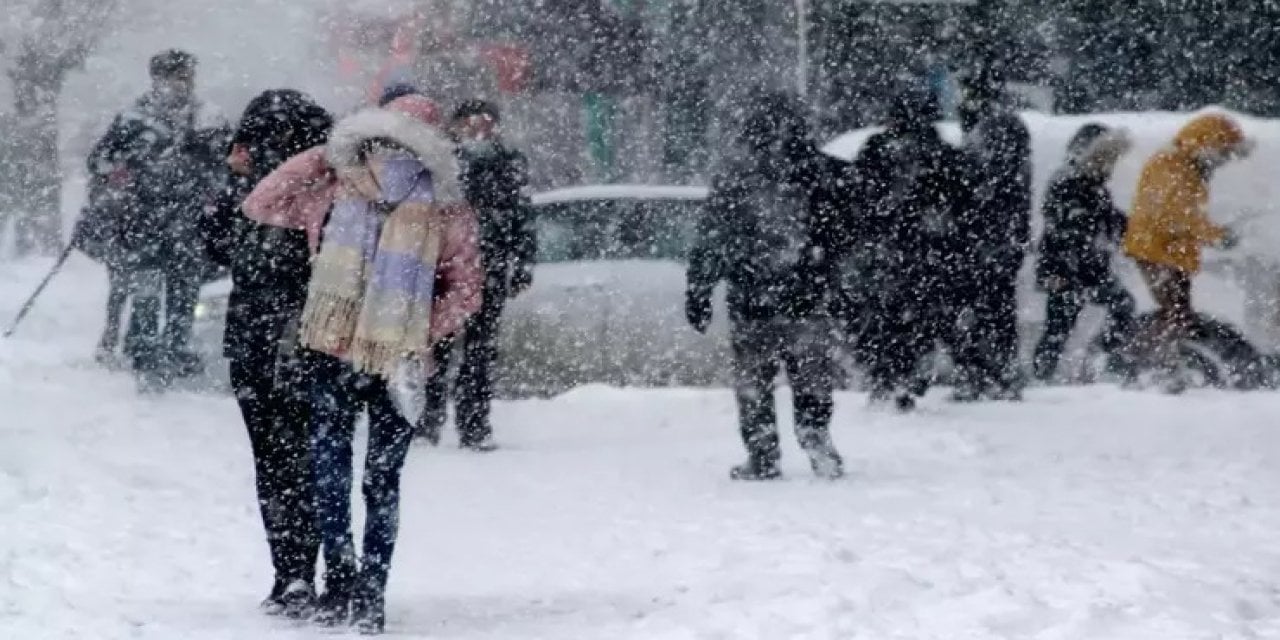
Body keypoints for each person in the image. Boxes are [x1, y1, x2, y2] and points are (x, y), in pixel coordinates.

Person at [286, 103, 482, 634]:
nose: (387, 155)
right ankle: (366, 591)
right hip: (383, 359)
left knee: (343, 473)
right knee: (373, 479)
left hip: (348, 355)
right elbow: (467, 293)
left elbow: (262, 201)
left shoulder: (341, 191)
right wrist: (416, 329)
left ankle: (348, 583)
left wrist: (329, 157)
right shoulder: (439, 207)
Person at [200, 89, 333, 617]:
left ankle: (293, 571)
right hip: (298, 337)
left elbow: (213, 246)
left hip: (273, 337)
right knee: (300, 458)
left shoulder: (295, 192)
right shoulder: (319, 185)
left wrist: (234, 180)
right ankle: (301, 570)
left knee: (279, 461)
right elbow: (215, 244)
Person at [685, 92, 847, 481]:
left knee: (754, 379)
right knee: (811, 376)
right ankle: (815, 437)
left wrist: (700, 290)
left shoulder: (736, 177)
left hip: (752, 296)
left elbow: (712, 238)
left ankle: (762, 452)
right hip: (807, 296)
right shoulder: (822, 173)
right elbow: (844, 237)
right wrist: (836, 283)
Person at [79, 49, 216, 388]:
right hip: (142, 220)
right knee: (146, 287)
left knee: (184, 290)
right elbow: (99, 161)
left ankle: (176, 347)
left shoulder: (206, 117)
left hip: (188, 220)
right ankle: (142, 349)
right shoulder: (133, 119)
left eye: (185, 77)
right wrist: (119, 170)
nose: (180, 84)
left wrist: (211, 187)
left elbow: (224, 167)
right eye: (174, 77)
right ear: (157, 79)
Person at [844, 86, 977, 411]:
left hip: (886, 252)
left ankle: (887, 378)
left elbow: (855, 198)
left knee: (882, 319)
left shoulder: (876, 149)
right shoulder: (943, 153)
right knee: (921, 320)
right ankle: (909, 372)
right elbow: (965, 204)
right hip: (930, 253)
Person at [419, 99, 535, 450]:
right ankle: (427, 421)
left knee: (480, 351)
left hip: (490, 267)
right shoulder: (441, 161)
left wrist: (523, 262)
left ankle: (474, 424)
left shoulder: (509, 162)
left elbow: (522, 215)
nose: (479, 130)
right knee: (436, 346)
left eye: (487, 123)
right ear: (457, 125)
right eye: (471, 123)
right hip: (447, 269)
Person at [1123, 113, 1251, 393]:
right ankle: (1154, 366)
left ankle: (1149, 361)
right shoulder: (1171, 166)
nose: (1224, 161)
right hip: (1157, 250)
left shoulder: (1186, 166)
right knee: (1176, 313)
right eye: (1223, 153)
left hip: (1167, 251)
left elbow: (1183, 216)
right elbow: (1175, 216)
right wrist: (1217, 236)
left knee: (1177, 312)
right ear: (1207, 145)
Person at [1032, 124, 1137, 383]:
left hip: (1087, 267)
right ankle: (1044, 375)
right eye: (1107, 159)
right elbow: (1067, 227)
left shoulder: (1093, 185)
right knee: (1059, 326)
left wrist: (1136, 230)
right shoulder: (1067, 181)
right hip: (1064, 269)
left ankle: (1104, 355)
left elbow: (1111, 220)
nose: (1111, 166)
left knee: (1119, 304)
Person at [952, 70, 1033, 401]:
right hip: (999, 233)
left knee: (984, 304)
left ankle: (983, 372)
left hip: (986, 235)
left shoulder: (992, 128)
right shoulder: (1007, 125)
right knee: (996, 305)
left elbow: (985, 183)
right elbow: (1019, 185)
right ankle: (996, 371)